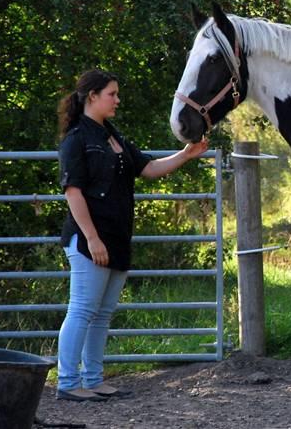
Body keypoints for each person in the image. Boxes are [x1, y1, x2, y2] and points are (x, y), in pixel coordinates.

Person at [56, 69, 208, 402]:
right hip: (88, 239)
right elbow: (73, 193)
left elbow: (148, 169)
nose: (117, 100)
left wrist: (185, 155)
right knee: (82, 309)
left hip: (117, 235)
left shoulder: (114, 136)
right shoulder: (77, 138)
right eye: (112, 94)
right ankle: (68, 383)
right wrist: (92, 239)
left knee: (102, 312)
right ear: (92, 96)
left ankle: (93, 379)